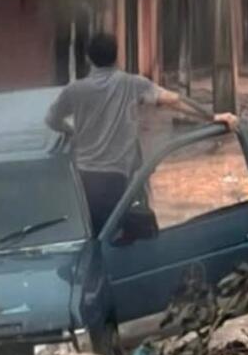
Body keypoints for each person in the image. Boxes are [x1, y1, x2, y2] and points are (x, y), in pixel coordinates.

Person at [46, 30, 238, 233]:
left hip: (83, 179)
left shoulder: (74, 90)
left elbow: (52, 120)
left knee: (91, 233)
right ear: (117, 56)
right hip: (117, 178)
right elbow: (173, 100)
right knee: (128, 233)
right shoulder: (132, 84)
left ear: (88, 58)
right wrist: (212, 117)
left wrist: (72, 131)